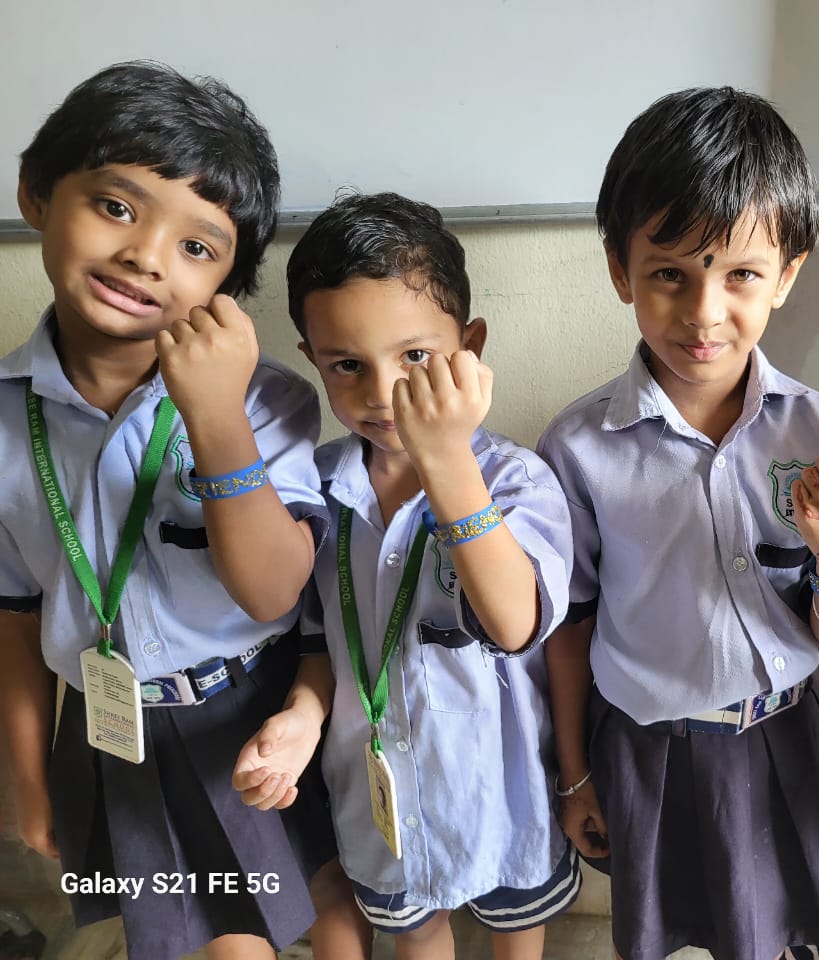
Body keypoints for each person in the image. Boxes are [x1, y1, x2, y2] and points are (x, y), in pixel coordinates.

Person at [0, 61, 347, 960]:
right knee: (189, 937)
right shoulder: (6, 416)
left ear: (229, 282)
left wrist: (216, 416)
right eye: (116, 207)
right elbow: (13, 614)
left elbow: (274, 591)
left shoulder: (267, 402)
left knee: (309, 907)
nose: (146, 256)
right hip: (109, 730)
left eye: (198, 246)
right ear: (37, 194)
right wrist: (29, 779)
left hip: (249, 715)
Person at [536, 86, 819, 960]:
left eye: (740, 274)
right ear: (621, 269)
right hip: (647, 753)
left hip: (781, 745)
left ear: (788, 275)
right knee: (656, 934)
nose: (703, 312)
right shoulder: (579, 448)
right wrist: (575, 773)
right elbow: (569, 629)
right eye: (669, 273)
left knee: (778, 934)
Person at [236, 191, 579, 960]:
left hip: (502, 801)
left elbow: (514, 622)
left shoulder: (517, 479)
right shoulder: (316, 488)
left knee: (515, 936)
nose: (382, 392)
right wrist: (301, 717)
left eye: (415, 358)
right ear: (313, 359)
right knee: (416, 939)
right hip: (378, 800)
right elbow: (322, 642)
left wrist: (446, 459)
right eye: (347, 365)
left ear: (471, 346)